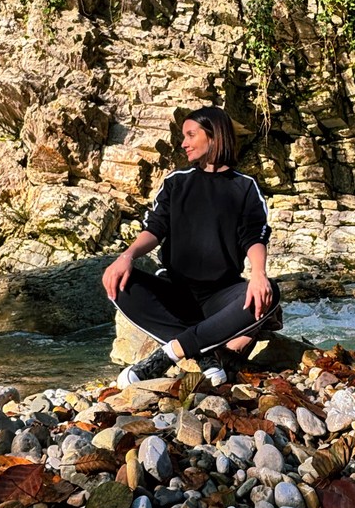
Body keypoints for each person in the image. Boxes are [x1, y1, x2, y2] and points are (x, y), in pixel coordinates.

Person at [101, 106, 281, 386]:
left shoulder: (245, 187)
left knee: (270, 294)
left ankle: (167, 355)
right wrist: (127, 256)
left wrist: (259, 274)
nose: (183, 143)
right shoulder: (176, 182)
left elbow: (254, 236)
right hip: (175, 292)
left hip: (221, 298)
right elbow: (155, 229)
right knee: (118, 281)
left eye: (190, 135)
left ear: (214, 136)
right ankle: (206, 352)